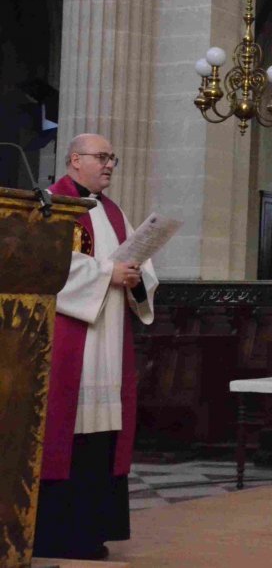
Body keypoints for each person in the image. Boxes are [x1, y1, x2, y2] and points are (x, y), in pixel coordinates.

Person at [35, 134, 158, 561]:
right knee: (65, 431)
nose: (108, 165)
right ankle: (53, 535)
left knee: (101, 435)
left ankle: (91, 531)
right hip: (71, 339)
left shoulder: (114, 211)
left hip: (110, 338)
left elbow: (141, 268)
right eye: (101, 157)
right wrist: (109, 274)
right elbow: (46, 267)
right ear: (74, 160)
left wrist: (136, 276)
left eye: (112, 159)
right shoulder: (51, 204)